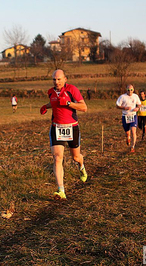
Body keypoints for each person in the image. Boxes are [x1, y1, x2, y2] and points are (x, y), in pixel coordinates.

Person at [40, 69, 88, 201]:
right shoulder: (50, 92)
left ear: (65, 79)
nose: (56, 81)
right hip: (57, 127)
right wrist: (46, 106)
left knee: (76, 157)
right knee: (57, 157)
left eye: (59, 79)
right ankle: (61, 190)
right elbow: (54, 102)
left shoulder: (72, 90)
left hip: (72, 127)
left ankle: (82, 166)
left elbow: (84, 107)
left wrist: (68, 103)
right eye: (54, 79)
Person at [116, 84, 141, 153]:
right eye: (128, 90)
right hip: (125, 116)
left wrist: (137, 108)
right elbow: (117, 106)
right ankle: (128, 137)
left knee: (133, 131)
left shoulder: (135, 96)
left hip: (133, 115)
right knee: (127, 132)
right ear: (126, 90)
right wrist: (124, 108)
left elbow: (139, 104)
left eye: (131, 90)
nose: (130, 91)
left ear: (133, 90)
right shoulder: (122, 97)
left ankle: (132, 147)